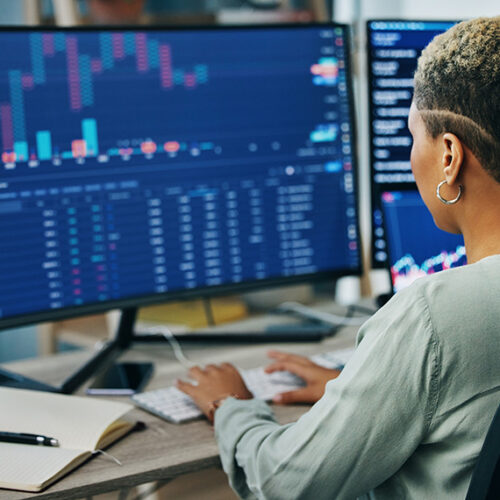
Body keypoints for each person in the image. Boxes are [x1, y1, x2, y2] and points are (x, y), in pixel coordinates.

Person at [177, 16, 500, 499]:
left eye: (414, 136)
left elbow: (289, 483)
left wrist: (231, 404)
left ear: (450, 156)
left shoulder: (437, 316)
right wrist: (364, 385)